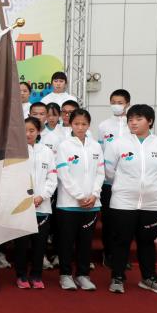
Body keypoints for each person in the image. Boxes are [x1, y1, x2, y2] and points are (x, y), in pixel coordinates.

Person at [105, 104, 157, 295]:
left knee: (147, 242)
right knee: (121, 241)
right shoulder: (117, 144)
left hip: (154, 203)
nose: (133, 122)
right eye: (130, 119)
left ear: (150, 121)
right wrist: (126, 186)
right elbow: (109, 172)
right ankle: (117, 277)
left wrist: (154, 187)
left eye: (138, 119)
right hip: (123, 202)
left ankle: (149, 278)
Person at [55, 109, 104, 291]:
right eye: (76, 123)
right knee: (66, 242)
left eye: (84, 124)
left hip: (91, 205)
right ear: (70, 124)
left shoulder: (95, 146)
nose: (80, 127)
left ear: (89, 125)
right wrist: (79, 196)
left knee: (85, 242)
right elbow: (63, 174)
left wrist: (94, 194)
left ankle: (83, 275)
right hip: (68, 204)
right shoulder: (64, 146)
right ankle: (65, 275)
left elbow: (100, 173)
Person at [14, 117, 57, 289]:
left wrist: (42, 196)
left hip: (42, 206)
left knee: (40, 244)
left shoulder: (47, 152)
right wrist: (25, 199)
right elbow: (12, 179)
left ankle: (37, 275)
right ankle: (21, 275)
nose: (28, 134)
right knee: (22, 245)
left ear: (38, 131)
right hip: (21, 207)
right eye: (24, 130)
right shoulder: (15, 152)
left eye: (32, 130)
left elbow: (52, 178)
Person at [98, 89, 132, 267]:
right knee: (109, 219)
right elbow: (100, 151)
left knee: (126, 221)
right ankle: (109, 253)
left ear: (127, 104)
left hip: (129, 181)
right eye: (113, 102)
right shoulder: (104, 126)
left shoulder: (132, 125)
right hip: (108, 181)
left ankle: (123, 256)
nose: (116, 105)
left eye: (120, 102)